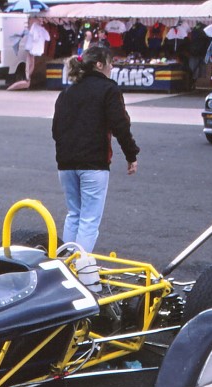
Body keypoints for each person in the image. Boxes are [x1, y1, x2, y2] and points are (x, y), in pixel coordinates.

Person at [52, 45, 139, 253]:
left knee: (74, 214)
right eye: (110, 63)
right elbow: (120, 125)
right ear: (100, 65)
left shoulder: (67, 91)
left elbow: (56, 129)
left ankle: (64, 263)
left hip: (65, 163)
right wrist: (131, 154)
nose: (112, 67)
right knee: (89, 220)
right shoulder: (109, 89)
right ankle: (80, 267)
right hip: (94, 162)